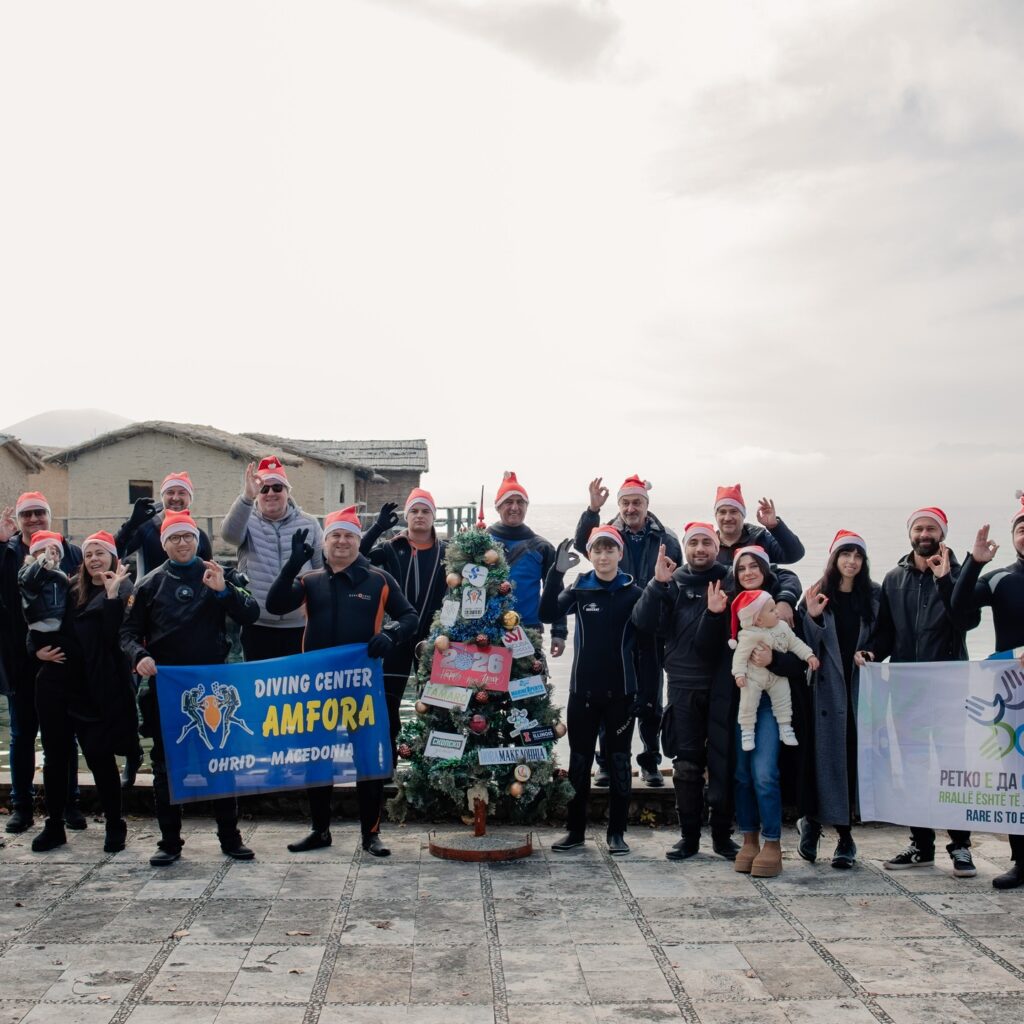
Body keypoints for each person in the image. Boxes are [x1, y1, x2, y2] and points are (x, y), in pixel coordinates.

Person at [266, 506, 418, 857]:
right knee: (317, 759)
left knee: (367, 759)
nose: (342, 541)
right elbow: (275, 604)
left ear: (357, 542)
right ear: (325, 542)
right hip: (317, 687)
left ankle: (371, 834)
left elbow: (408, 615)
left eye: (349, 535)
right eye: (335, 535)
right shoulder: (311, 581)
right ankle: (320, 831)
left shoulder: (378, 580)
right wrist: (293, 563)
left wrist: (391, 634)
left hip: (361, 685)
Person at [120, 510, 260, 866]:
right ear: (164, 543)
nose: (182, 543)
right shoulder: (148, 584)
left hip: (213, 687)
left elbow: (251, 612)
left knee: (221, 763)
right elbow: (127, 633)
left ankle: (230, 837)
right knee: (167, 766)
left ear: (197, 541)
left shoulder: (218, 573)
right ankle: (169, 841)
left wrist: (223, 592)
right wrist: (139, 655)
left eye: (188, 537)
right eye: (174, 538)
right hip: (169, 689)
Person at [855, 506, 980, 878]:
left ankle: (960, 847)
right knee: (912, 766)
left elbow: (966, 622)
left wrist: (946, 580)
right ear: (910, 533)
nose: (925, 534)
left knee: (953, 768)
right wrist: (872, 651)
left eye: (932, 529)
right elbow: (887, 631)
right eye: (919, 528)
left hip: (949, 689)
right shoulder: (894, 578)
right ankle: (921, 845)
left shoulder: (960, 575)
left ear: (942, 534)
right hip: (906, 689)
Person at [696, 544, 807, 877]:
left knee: (764, 773)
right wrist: (713, 613)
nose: (747, 572)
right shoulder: (727, 605)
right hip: (737, 704)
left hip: (771, 706)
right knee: (741, 775)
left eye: (754, 566)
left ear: (765, 569)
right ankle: (749, 839)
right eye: (741, 567)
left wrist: (776, 660)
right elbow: (704, 650)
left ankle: (772, 842)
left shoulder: (778, 608)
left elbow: (800, 662)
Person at [631, 523, 739, 860]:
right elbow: (644, 622)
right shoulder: (673, 582)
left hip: (723, 685)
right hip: (681, 684)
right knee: (686, 766)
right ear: (686, 548)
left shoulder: (732, 579)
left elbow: (778, 579)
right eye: (694, 543)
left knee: (724, 764)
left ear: (718, 544)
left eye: (707, 542)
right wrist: (656, 583)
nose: (700, 549)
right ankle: (688, 837)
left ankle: (723, 836)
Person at [25, 532, 137, 853]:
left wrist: (114, 597)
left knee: (99, 757)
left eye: (100, 553)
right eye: (88, 555)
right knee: (56, 758)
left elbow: (111, 639)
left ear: (113, 557)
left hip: (94, 688)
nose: (94, 560)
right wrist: (36, 651)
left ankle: (115, 823)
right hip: (56, 685)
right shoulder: (69, 588)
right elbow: (35, 616)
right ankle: (55, 824)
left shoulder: (125, 588)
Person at [573, 475, 682, 787]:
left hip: (652, 629)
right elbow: (584, 545)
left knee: (650, 697)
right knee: (612, 693)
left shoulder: (667, 539)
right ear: (618, 505)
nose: (631, 508)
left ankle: (650, 761)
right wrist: (592, 510)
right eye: (625, 503)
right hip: (615, 626)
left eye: (637, 502)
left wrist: (671, 629)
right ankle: (606, 761)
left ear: (647, 505)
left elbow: (676, 583)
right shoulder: (608, 531)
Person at [541, 525, 643, 855]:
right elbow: (547, 613)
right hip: (582, 691)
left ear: (620, 553)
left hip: (621, 693)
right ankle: (575, 831)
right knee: (581, 763)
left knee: (618, 762)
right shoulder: (581, 588)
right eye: (597, 550)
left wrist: (647, 694)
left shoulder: (634, 592)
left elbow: (652, 638)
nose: (603, 556)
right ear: (590, 554)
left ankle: (617, 832)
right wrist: (556, 574)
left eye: (609, 549)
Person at [950, 499, 1024, 888]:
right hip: (1011, 690)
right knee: (1016, 776)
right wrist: (974, 563)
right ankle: (1023, 860)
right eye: (1022, 528)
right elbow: (959, 609)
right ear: (1013, 537)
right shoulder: (1001, 578)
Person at [0, 493, 83, 834]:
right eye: (27, 514)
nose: (34, 519)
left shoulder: (69, 551)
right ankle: (22, 805)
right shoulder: (7, 552)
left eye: (40, 513)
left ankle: (68, 804)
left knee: (64, 737)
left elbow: (80, 602)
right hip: (22, 661)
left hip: (61, 661)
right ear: (18, 521)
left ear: (50, 517)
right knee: (21, 734)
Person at [797, 530, 880, 869]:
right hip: (822, 692)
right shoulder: (817, 594)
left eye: (857, 555)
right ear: (833, 559)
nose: (851, 561)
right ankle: (811, 825)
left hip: (858, 690)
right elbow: (801, 643)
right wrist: (813, 617)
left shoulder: (873, 597)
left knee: (848, 760)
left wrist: (872, 652)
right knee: (817, 760)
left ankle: (846, 837)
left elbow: (886, 634)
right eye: (845, 554)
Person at [359, 488, 449, 768]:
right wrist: (376, 528)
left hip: (433, 641)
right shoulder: (391, 547)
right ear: (407, 516)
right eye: (414, 511)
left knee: (435, 707)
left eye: (425, 511)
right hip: (395, 637)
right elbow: (358, 559)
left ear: (434, 517)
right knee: (388, 706)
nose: (420, 516)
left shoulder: (447, 552)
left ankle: (430, 768)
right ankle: (389, 766)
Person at [220, 456, 323, 661]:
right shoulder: (246, 521)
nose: (271, 493)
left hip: (299, 624)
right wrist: (247, 497)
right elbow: (229, 535)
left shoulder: (309, 523)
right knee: (258, 689)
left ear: (287, 492)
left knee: (298, 689)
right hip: (257, 624)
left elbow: (321, 570)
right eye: (264, 489)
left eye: (277, 487)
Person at [486, 472, 567, 660]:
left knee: (530, 688)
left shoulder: (542, 547)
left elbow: (555, 592)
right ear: (498, 507)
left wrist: (559, 633)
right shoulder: (481, 543)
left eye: (520, 502)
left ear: (526, 507)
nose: (514, 507)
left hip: (529, 632)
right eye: (508, 502)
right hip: (486, 630)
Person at [730, 590, 818, 750]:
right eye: (771, 610)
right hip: (754, 677)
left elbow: (796, 643)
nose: (777, 611)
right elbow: (740, 656)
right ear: (758, 620)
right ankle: (747, 731)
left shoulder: (782, 627)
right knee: (748, 702)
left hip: (776, 676)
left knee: (784, 698)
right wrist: (739, 674)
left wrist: (809, 656)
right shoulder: (748, 635)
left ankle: (785, 727)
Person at [115, 472, 213, 577]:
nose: (175, 498)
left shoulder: (200, 536)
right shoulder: (146, 529)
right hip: (149, 592)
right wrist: (131, 525)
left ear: (190, 499)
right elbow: (114, 555)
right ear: (162, 497)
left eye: (182, 493)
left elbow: (210, 573)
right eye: (170, 492)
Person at [713, 484, 805, 566]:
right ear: (716, 516)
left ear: (743, 515)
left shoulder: (761, 538)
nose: (728, 518)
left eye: (733, 512)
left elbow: (795, 555)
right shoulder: (708, 544)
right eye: (722, 512)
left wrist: (775, 527)